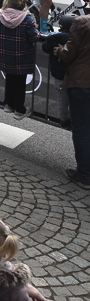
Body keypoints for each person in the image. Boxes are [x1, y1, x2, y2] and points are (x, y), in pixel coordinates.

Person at [54, 15, 90, 188]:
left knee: (82, 129)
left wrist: (60, 51)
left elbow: (70, 53)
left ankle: (84, 174)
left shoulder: (83, 22)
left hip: (83, 82)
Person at [0, 0, 37, 118]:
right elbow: (33, 37)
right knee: (20, 82)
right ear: (23, 4)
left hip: (5, 55)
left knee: (10, 79)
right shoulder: (27, 19)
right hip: (22, 56)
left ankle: (8, 104)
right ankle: (19, 109)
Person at [41, 11, 76, 128]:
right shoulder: (77, 40)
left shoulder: (53, 38)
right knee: (74, 101)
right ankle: (74, 121)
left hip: (59, 76)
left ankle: (63, 121)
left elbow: (45, 48)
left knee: (61, 100)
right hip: (75, 77)